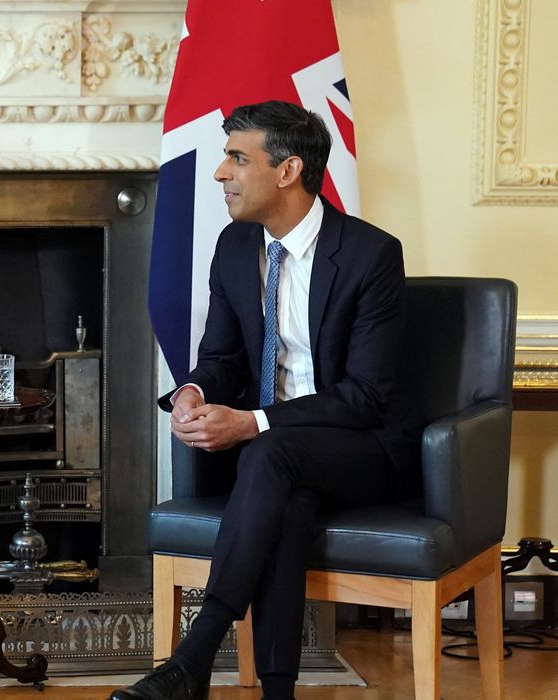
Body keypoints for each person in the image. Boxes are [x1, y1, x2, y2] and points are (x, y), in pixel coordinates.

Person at [110, 101, 421, 700]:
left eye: (236, 158)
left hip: (368, 448)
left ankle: (195, 654)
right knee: (288, 499)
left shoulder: (369, 255)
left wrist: (252, 422)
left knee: (270, 454)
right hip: (281, 459)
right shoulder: (234, 247)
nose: (221, 173)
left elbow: (365, 397)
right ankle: (277, 691)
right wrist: (193, 393)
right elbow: (222, 358)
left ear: (287, 171)